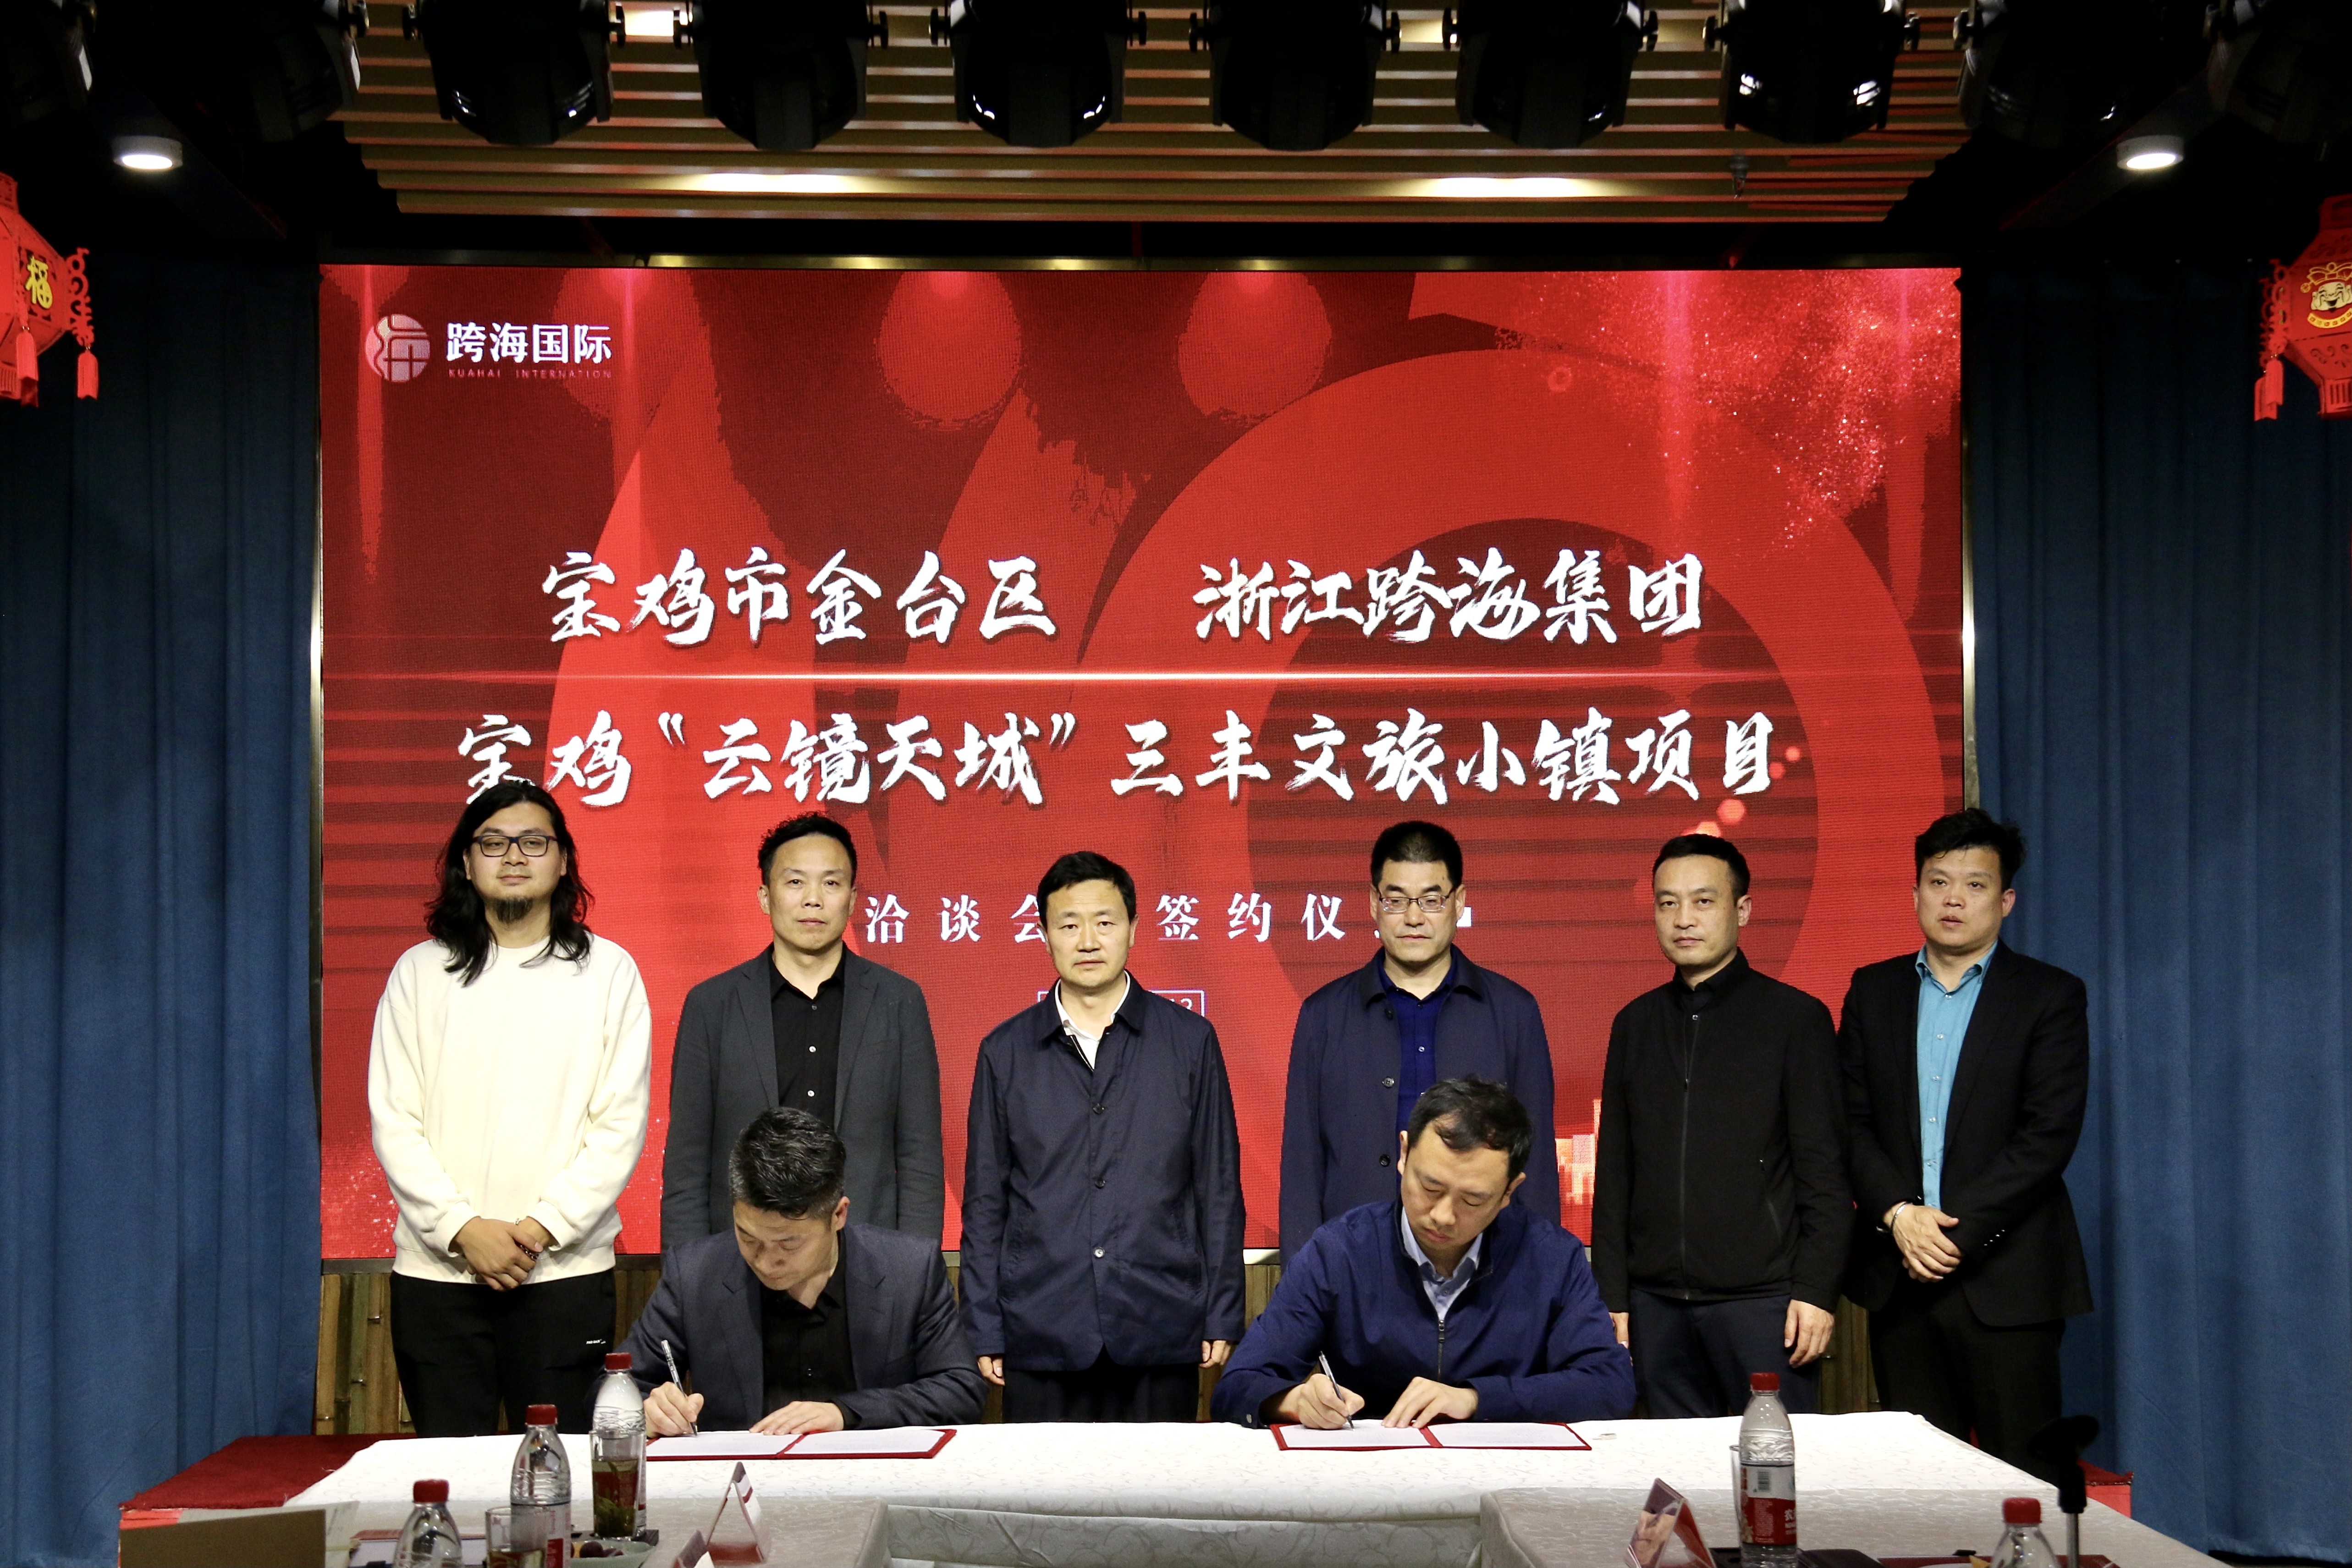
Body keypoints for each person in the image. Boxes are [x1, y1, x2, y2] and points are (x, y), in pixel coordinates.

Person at [369, 779, 652, 1436]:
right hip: (439, 1273)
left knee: (563, 1473)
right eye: (493, 843)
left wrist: (541, 1227)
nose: (515, 856)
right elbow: (395, 1120)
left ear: (563, 860)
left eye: (533, 842)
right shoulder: (419, 972)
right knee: (448, 1469)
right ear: (466, 863)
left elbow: (619, 1124)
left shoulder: (608, 971)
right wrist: (463, 1227)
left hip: (562, 1271)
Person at [1840, 808, 2092, 1469]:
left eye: (1974, 885)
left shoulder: (2049, 996)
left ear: (2005, 901)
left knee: (2025, 1484)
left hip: (2007, 1281)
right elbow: (1848, 1123)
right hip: (1900, 1279)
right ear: (1914, 892)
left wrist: (1951, 1234)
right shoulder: (1872, 991)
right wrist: (1899, 1216)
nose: (1953, 899)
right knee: (1920, 1488)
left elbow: (2047, 1135)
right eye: (1938, 882)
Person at [962, 851, 1247, 1422]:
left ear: (1134, 929)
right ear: (1044, 934)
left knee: (1160, 1483)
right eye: (1069, 924)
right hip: (1041, 1324)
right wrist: (983, 1322)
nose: (1088, 940)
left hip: (1159, 1318)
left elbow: (1217, 1187)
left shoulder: (1190, 1041)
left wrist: (1221, 1310)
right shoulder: (1005, 1051)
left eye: (1105, 921)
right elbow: (986, 1200)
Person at [1591, 835, 1850, 1417]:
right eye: (1667, 903)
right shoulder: (1635, 1024)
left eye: (1703, 901)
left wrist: (1816, 1290)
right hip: (1655, 1306)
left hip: (1763, 1304)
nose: (1683, 919)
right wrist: (1611, 1295)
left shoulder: (1794, 1019)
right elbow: (1616, 1172)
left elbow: (1825, 1173)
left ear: (1743, 909)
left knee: (1772, 1466)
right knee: (1670, 1471)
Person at [1213, 1077, 1633, 1427]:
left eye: (1472, 1200)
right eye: (1430, 1187)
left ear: (1509, 1191)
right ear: (1403, 1153)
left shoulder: (1551, 1258)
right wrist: (1294, 1401)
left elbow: (1609, 1385)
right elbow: (1238, 1384)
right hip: (1371, 1474)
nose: (1443, 1216)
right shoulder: (1340, 1251)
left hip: (1503, 1474)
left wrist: (1475, 1399)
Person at [1279, 820, 1560, 1261]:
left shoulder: (1513, 1012)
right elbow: (1302, 1165)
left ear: (1458, 902)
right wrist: (1304, 1282)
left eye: (1431, 900)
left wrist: (1541, 1278)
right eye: (1396, 900)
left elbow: (1536, 1166)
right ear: (1373, 902)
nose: (1413, 918)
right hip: (1354, 1265)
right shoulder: (1324, 1015)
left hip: (1485, 1269)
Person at [664, 814, 944, 1249]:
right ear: (765, 896)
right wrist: (689, 1274)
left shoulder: (898, 1001)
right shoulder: (712, 1005)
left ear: (853, 899)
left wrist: (914, 1269)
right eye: (795, 882)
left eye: (831, 883)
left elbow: (919, 1157)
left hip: (866, 1256)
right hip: (742, 1256)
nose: (813, 899)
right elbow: (687, 1162)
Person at [625, 1107, 982, 1434]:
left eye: (789, 1243)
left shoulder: (908, 1269)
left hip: (869, 1473)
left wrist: (845, 1413)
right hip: (741, 1477)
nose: (766, 1261)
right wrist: (647, 1411)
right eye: (748, 1237)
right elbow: (616, 1387)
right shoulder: (694, 1273)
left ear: (838, 1215)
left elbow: (960, 1390)